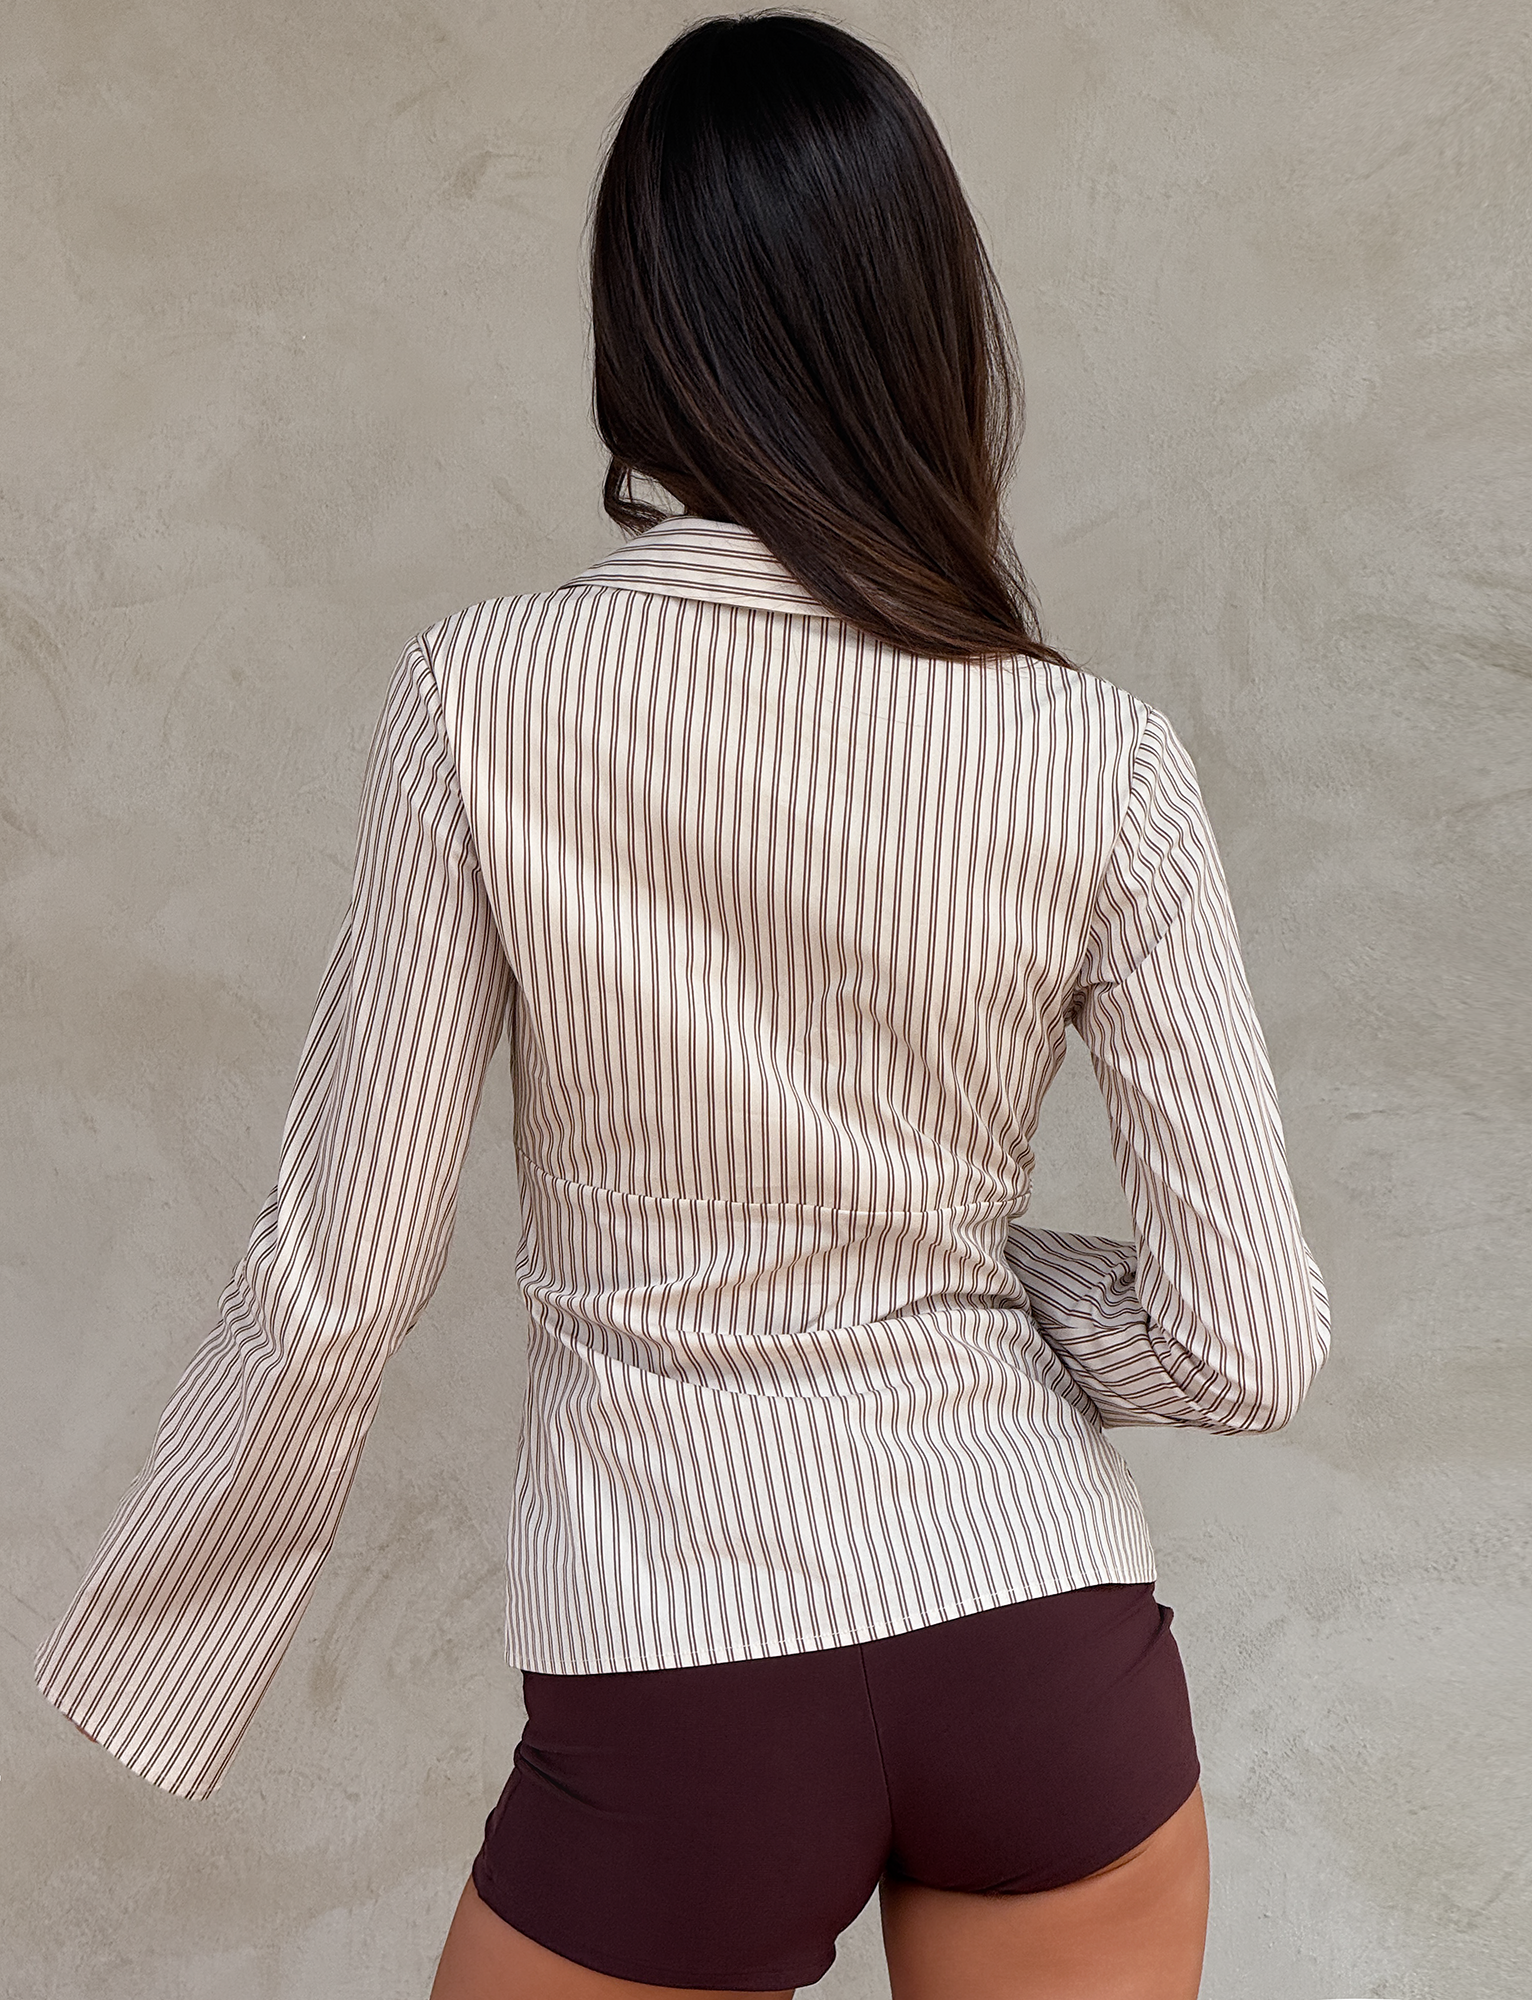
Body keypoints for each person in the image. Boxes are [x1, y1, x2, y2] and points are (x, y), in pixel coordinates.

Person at [35, 13, 1331, 1998]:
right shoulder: (1104, 754)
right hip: (1045, 1654)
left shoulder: (481, 700)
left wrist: (155, 1642)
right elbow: (1249, 1346)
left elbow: (340, 1276)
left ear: (642, 325)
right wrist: (957, 1273)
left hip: (683, 1665)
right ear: (931, 325)